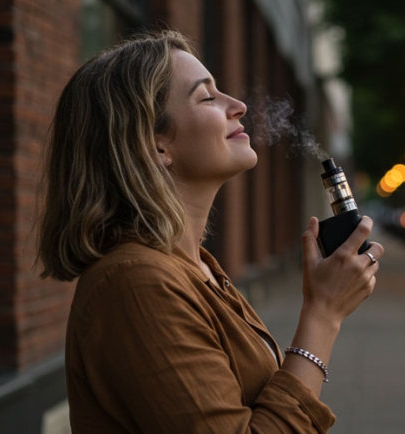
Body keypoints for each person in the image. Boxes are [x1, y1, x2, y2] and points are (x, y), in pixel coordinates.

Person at [36, 30, 384, 433]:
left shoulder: (195, 267)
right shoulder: (138, 283)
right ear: (155, 145)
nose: (237, 106)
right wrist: (323, 314)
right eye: (207, 97)